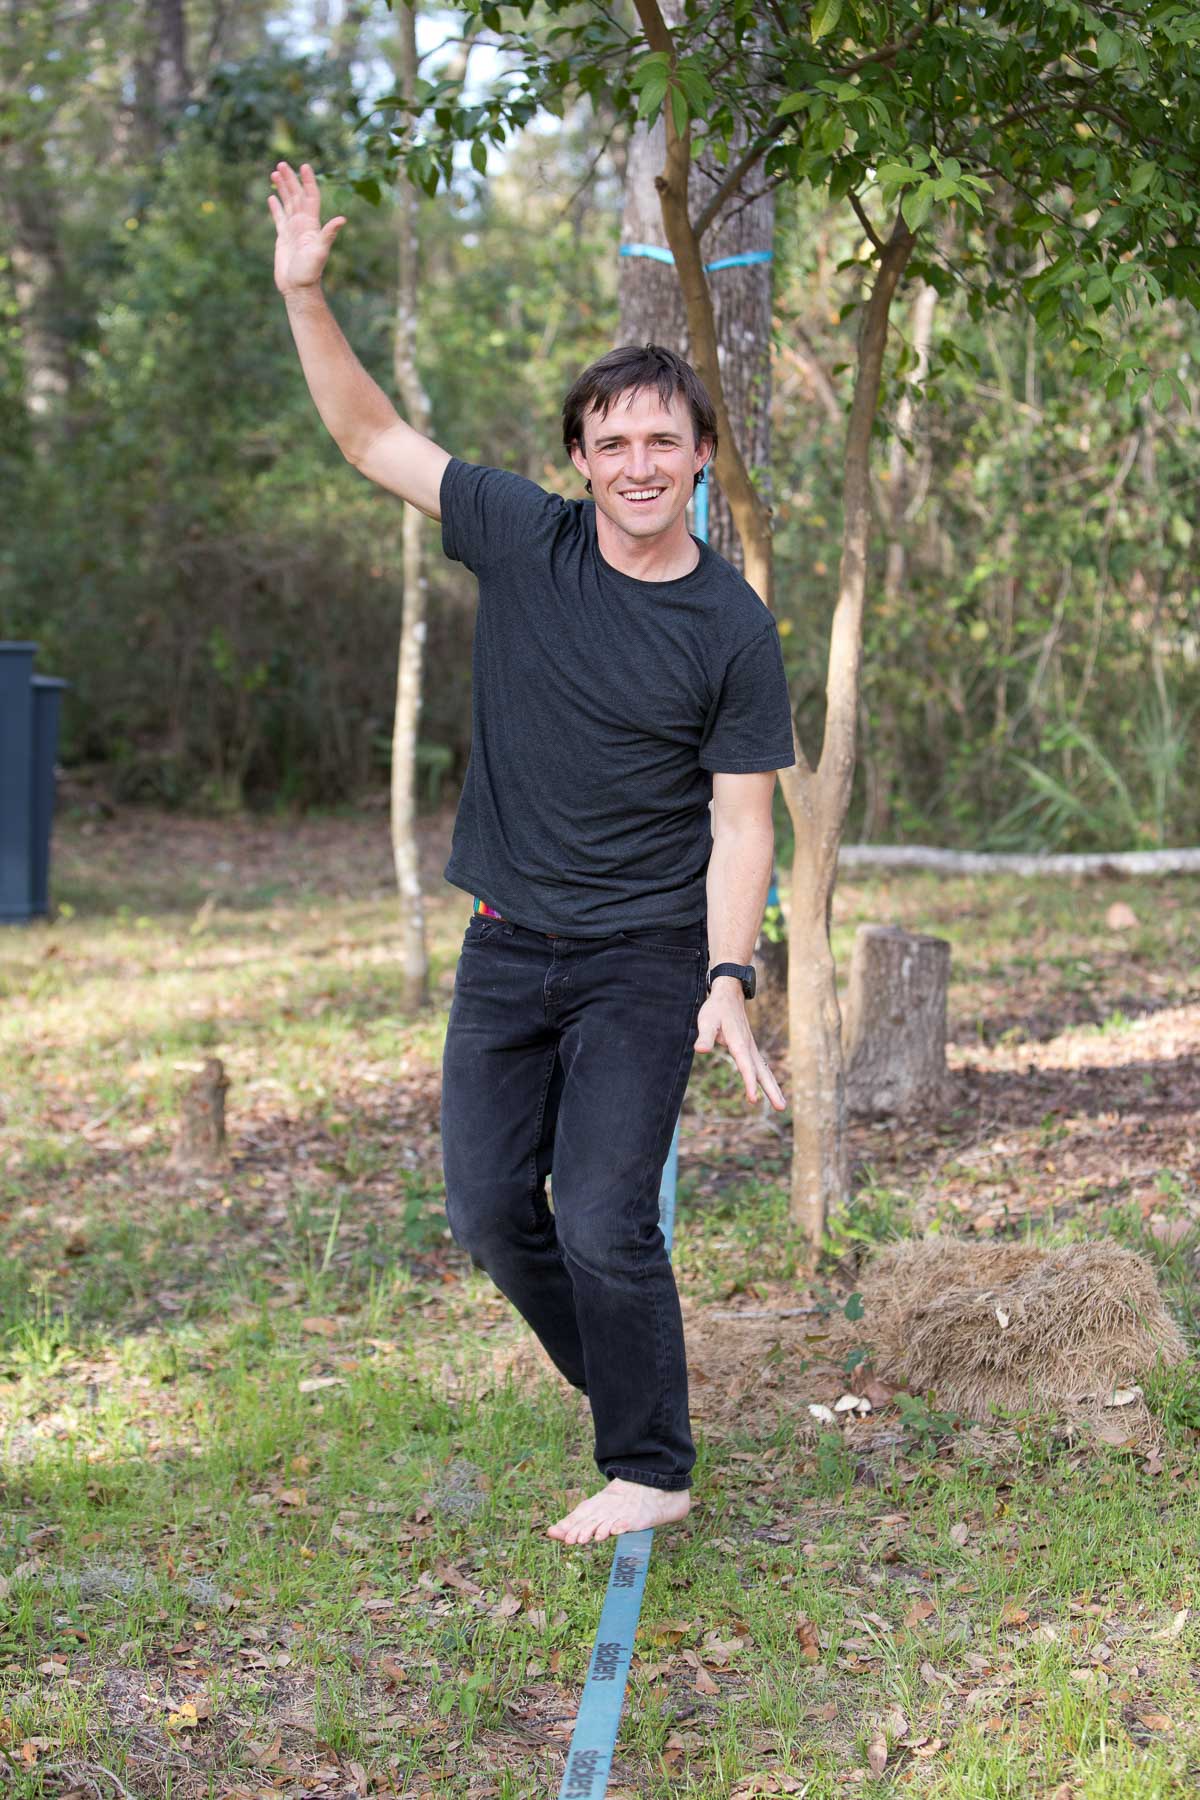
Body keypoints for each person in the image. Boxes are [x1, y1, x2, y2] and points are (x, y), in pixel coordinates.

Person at [269, 160, 796, 1545]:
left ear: (698, 460)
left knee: (605, 1216)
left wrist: (728, 976)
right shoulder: (524, 539)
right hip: (507, 941)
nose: (636, 465)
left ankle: (652, 1465)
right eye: (610, 442)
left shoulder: (730, 627)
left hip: (641, 956)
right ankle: (630, 1386)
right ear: (581, 457)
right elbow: (374, 440)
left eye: (662, 444)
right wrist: (305, 297)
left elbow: (744, 819)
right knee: (495, 1216)